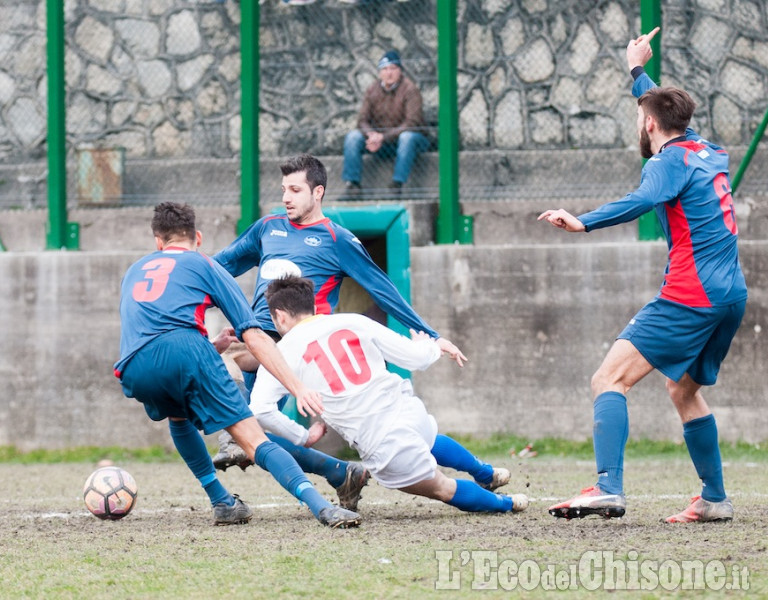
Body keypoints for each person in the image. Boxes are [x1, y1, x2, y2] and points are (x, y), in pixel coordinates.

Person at [537, 28, 747, 523]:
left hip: (690, 294)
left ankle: (608, 486)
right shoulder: (706, 150)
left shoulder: (666, 162)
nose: (639, 121)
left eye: (640, 116)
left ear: (651, 124)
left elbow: (641, 200)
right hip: (730, 295)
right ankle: (714, 499)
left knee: (608, 378)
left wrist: (583, 220)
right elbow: (664, 112)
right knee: (683, 390)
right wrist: (636, 71)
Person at [211, 153, 469, 510]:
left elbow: (383, 289)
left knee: (232, 377)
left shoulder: (337, 239)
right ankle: (340, 474)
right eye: (284, 189)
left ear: (318, 192)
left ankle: (234, 433)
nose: (286, 196)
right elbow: (220, 268)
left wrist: (430, 334)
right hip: (261, 338)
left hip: (299, 348)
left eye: (295, 189)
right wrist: (182, 279)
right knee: (260, 436)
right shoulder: (267, 228)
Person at [113, 202, 361, 528]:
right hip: (186, 353)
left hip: (133, 365)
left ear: (158, 242)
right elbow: (254, 335)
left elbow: (153, 327)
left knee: (178, 414)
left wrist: (207, 346)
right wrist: (296, 386)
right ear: (197, 238)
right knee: (254, 440)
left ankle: (222, 502)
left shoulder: (134, 270)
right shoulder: (204, 265)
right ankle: (322, 508)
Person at [249, 275, 528, 515]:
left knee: (442, 487)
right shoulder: (353, 321)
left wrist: (302, 437)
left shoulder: (281, 352)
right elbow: (414, 357)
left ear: (280, 316)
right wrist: (430, 348)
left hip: (381, 441)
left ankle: (506, 503)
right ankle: (486, 473)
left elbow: (260, 409)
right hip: (407, 410)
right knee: (428, 439)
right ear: (313, 306)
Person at [341, 50, 430, 198]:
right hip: (380, 143)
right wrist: (372, 136)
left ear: (400, 71)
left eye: (393, 69)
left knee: (407, 137)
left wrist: (383, 137)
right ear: (380, 72)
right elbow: (362, 120)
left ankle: (397, 185)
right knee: (353, 137)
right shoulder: (372, 89)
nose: (389, 73)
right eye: (385, 69)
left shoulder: (410, 90)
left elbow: (412, 123)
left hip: (411, 142)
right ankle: (353, 186)